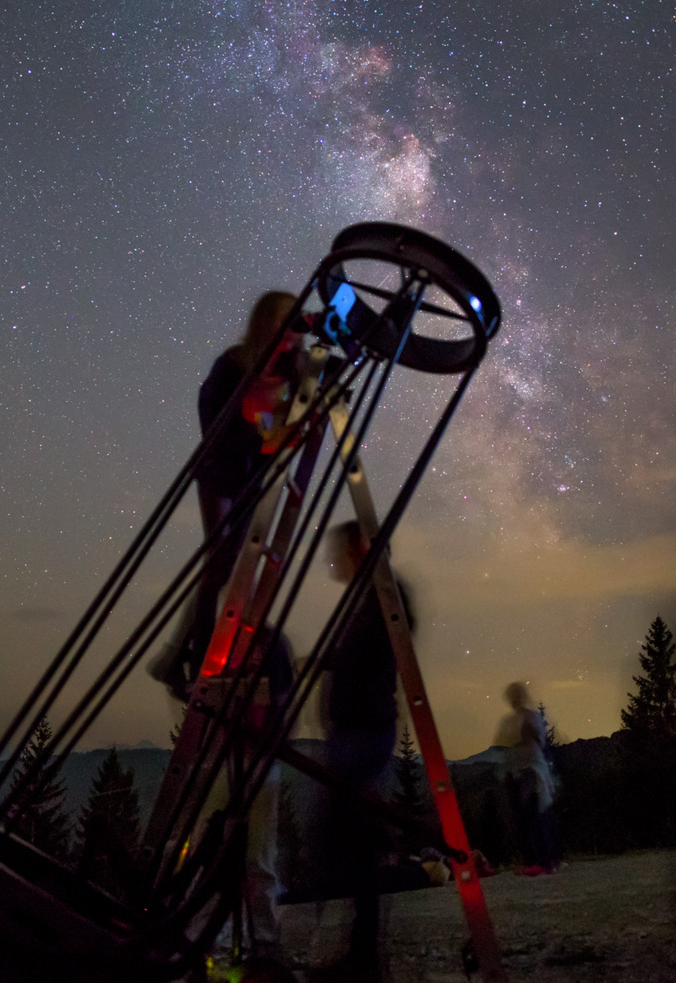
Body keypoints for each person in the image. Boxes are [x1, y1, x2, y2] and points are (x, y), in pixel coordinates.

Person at [150, 290, 304, 698]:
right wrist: (261, 431)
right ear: (264, 322)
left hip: (252, 477)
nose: (289, 328)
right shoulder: (235, 364)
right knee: (219, 562)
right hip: (221, 472)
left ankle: (184, 654)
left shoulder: (290, 376)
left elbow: (282, 425)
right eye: (281, 319)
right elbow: (217, 418)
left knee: (234, 566)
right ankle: (196, 658)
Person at [316, 520, 413, 983]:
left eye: (340, 549)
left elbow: (390, 636)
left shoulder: (384, 595)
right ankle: (362, 953)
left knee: (336, 835)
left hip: (365, 730)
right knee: (346, 839)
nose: (332, 557)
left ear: (361, 549)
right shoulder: (364, 601)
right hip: (352, 730)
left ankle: (363, 955)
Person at [494, 681, 556, 875]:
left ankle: (544, 861)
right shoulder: (508, 721)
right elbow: (499, 743)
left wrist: (522, 737)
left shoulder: (532, 717)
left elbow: (539, 741)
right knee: (519, 818)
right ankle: (529, 861)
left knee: (532, 814)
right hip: (513, 771)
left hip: (532, 769)